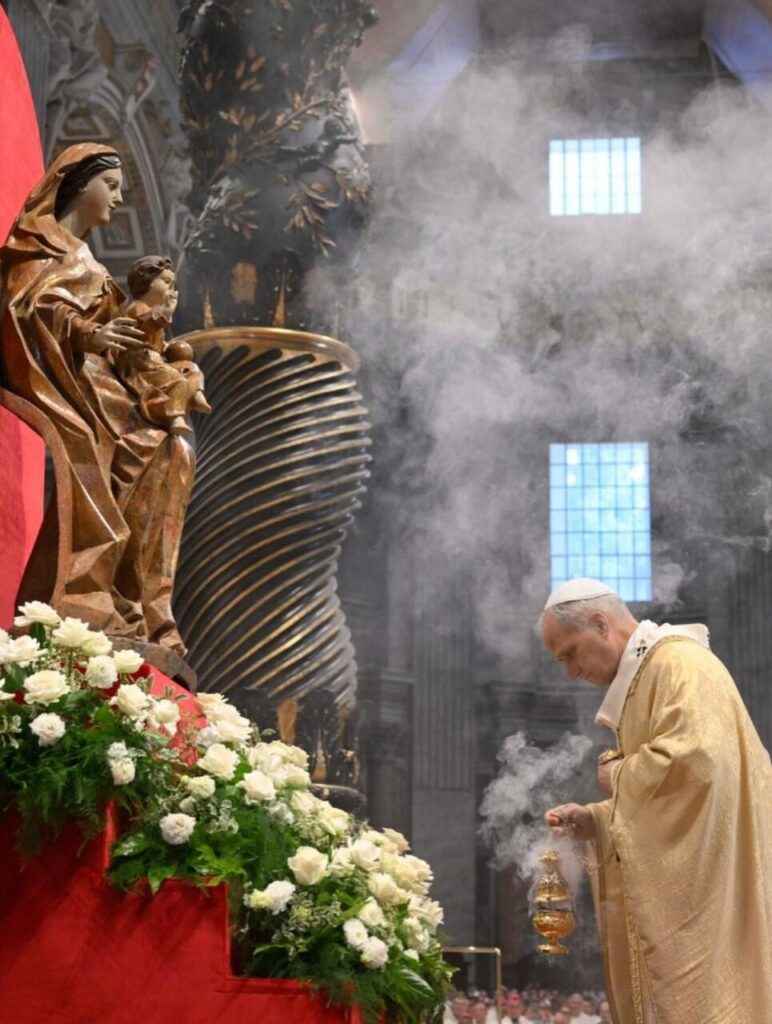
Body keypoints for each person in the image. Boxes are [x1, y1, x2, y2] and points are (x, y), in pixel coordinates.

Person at [540, 578, 772, 1024]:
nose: (570, 671)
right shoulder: (648, 675)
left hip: (710, 909)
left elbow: (699, 765)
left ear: (599, 623)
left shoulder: (678, 664)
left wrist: (619, 774)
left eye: (570, 652)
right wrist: (596, 820)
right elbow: (677, 801)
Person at [0, 143, 195, 654]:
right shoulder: (40, 241)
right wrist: (90, 335)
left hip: (97, 384)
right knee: (96, 450)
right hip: (58, 379)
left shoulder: (92, 264)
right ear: (78, 182)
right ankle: (86, 596)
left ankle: (137, 602)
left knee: (165, 451)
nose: (119, 198)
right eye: (111, 185)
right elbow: (30, 306)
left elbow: (118, 327)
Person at [118, 255, 210, 437]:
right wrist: (166, 311)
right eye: (167, 281)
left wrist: (169, 346)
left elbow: (157, 343)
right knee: (177, 379)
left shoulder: (155, 312)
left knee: (191, 368)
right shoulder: (137, 307)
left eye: (173, 284)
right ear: (148, 281)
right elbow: (145, 327)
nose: (172, 288)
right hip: (138, 362)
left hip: (154, 360)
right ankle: (175, 417)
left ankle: (195, 394)